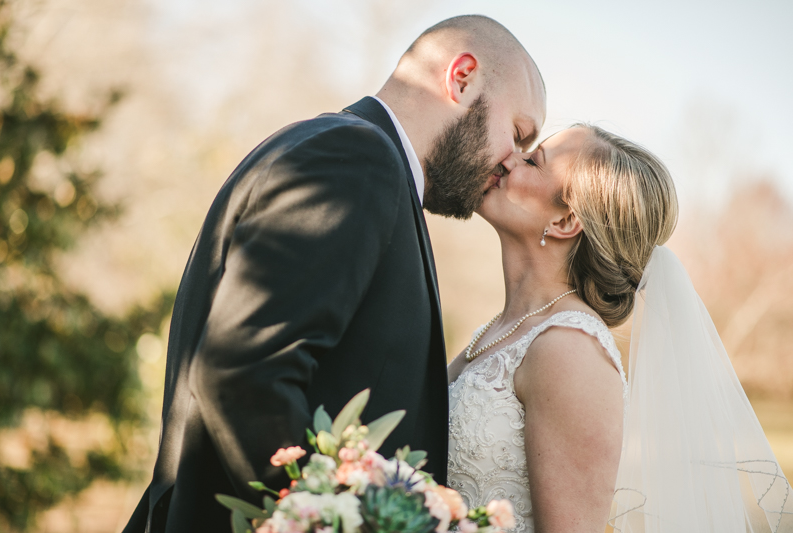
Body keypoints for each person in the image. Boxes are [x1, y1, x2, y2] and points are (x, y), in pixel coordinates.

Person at [123, 15, 547, 533]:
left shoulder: (350, 156)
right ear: (461, 77)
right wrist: (333, 519)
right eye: (519, 132)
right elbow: (244, 369)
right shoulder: (356, 159)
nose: (512, 161)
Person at [447, 124, 792, 532]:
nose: (508, 157)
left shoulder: (570, 350)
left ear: (565, 220)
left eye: (533, 160)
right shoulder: (504, 328)